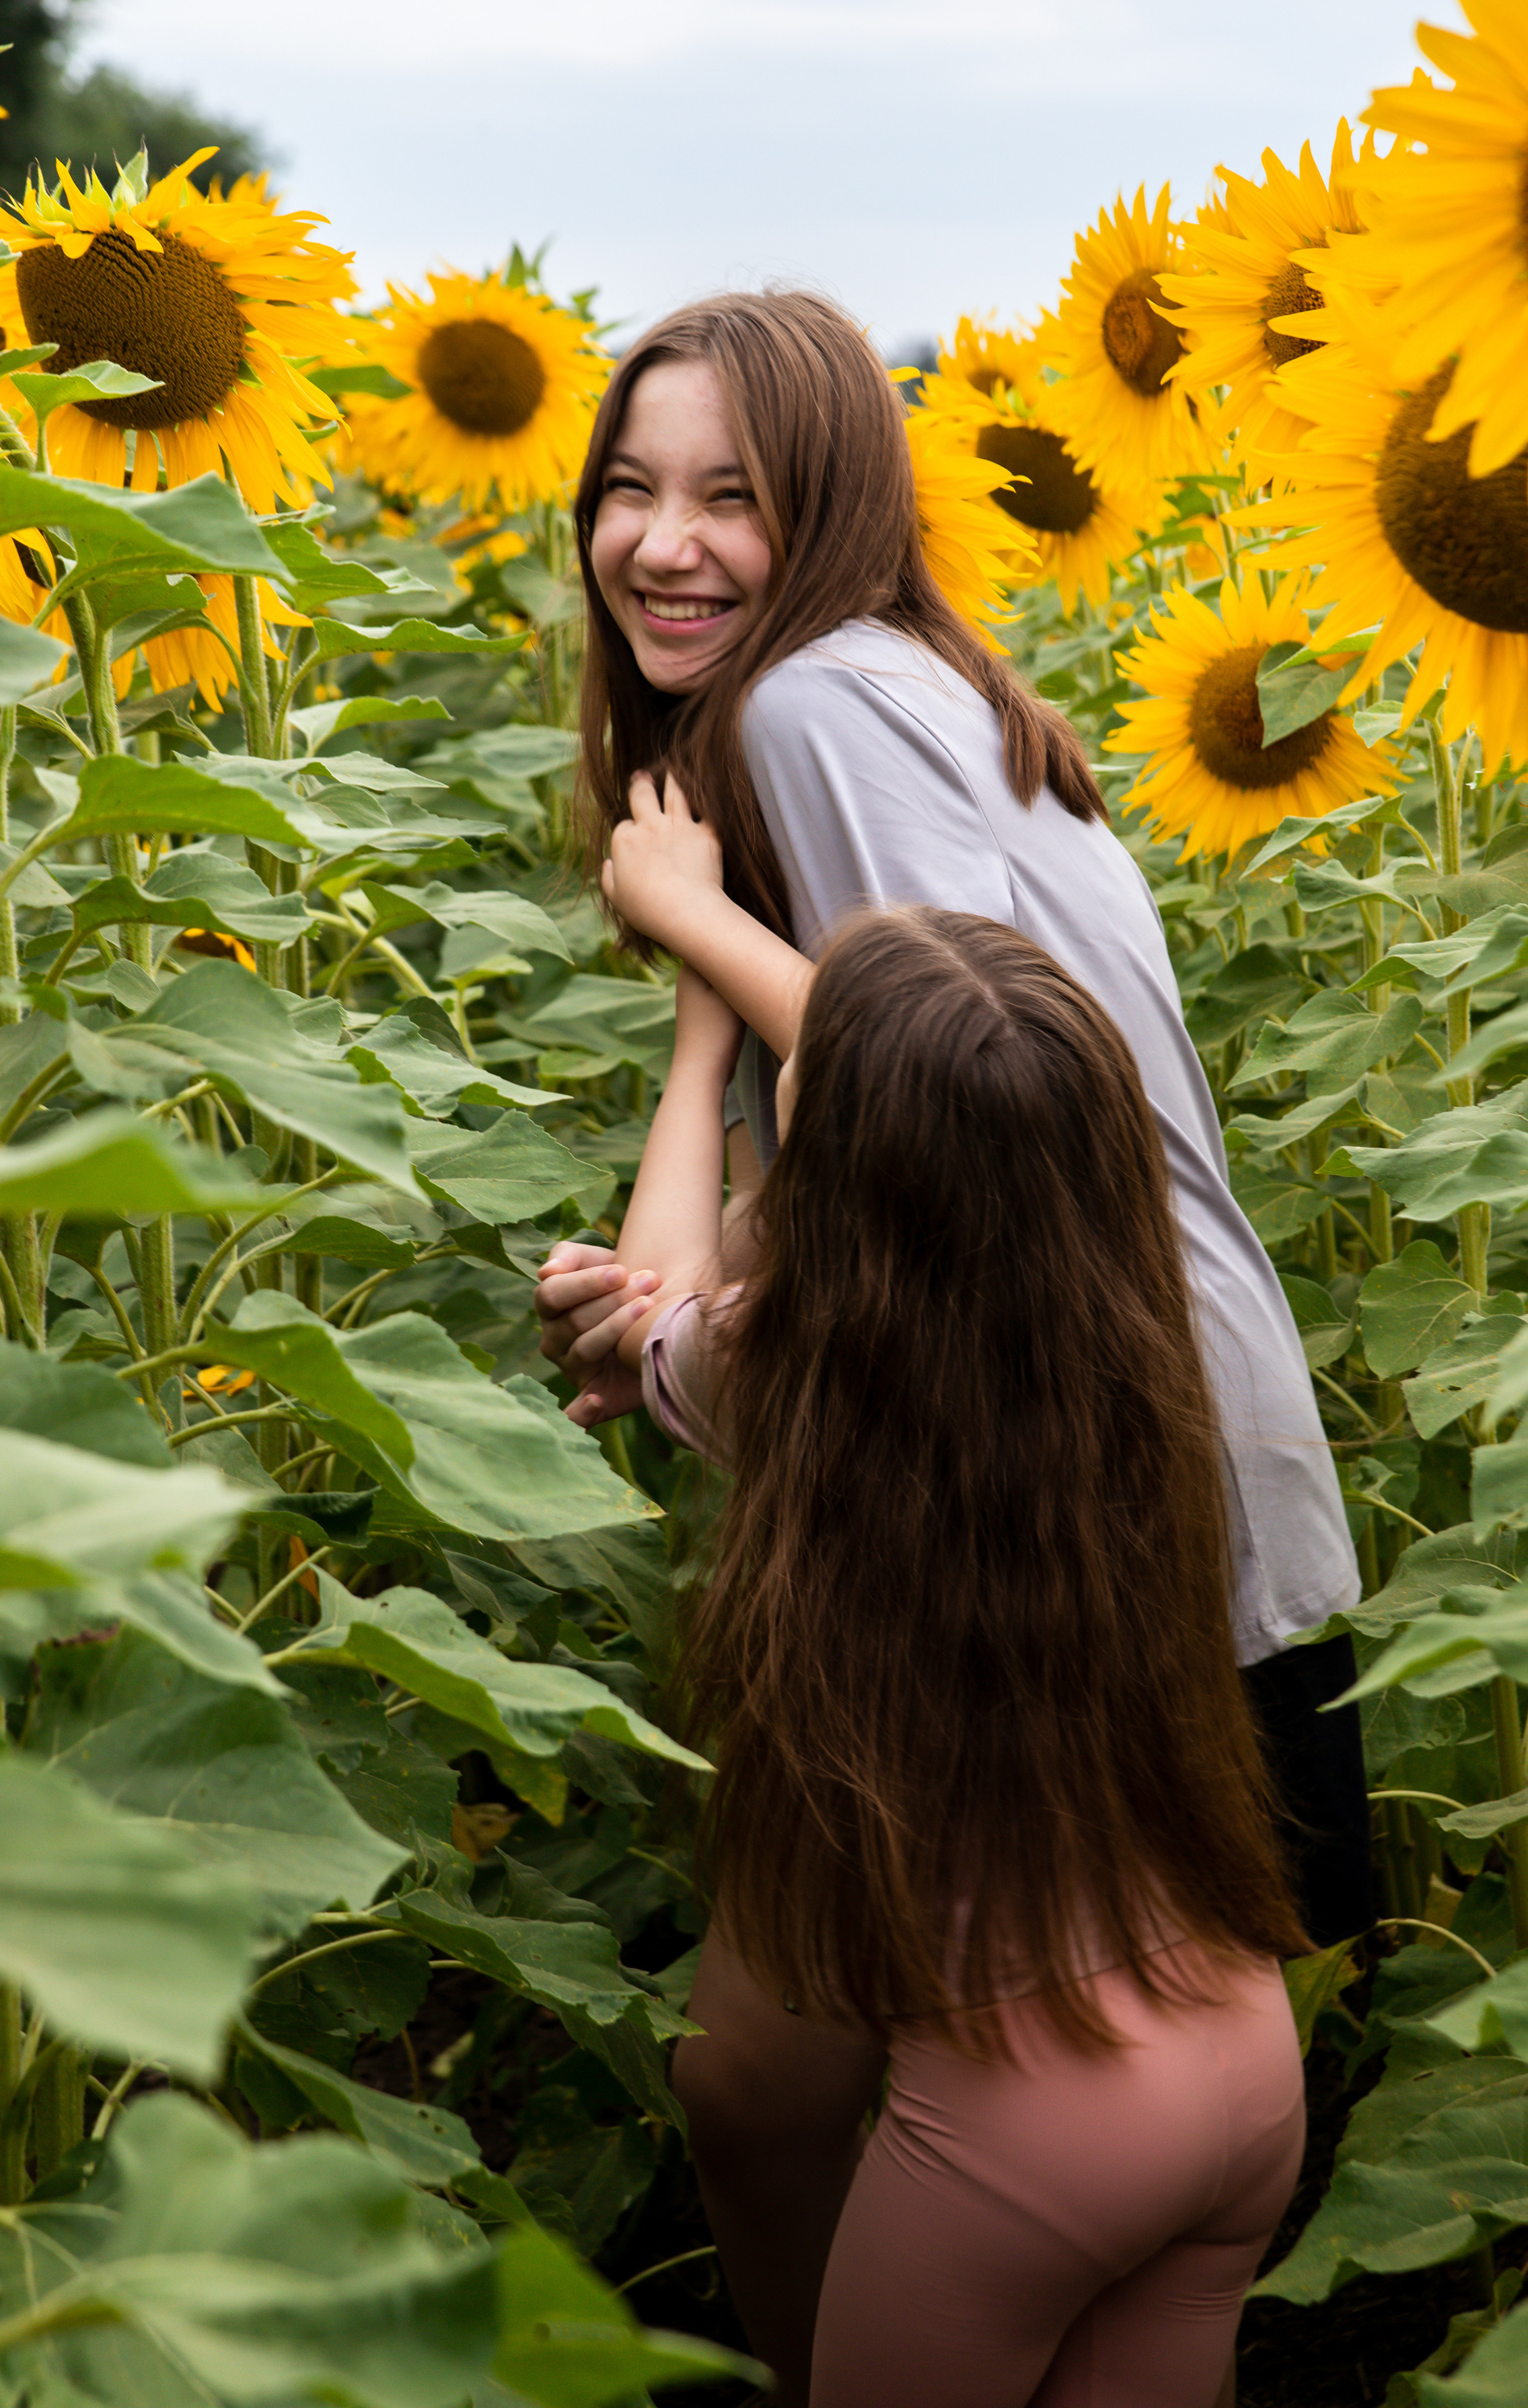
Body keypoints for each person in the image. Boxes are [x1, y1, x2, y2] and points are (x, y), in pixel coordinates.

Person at [537, 283, 1371, 1941]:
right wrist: (675, 1313)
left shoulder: (811, 703)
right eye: (630, 489)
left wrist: (695, 926)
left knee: (1152, 2037)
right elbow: (874, 1117)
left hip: (1102, 1431)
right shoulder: (905, 681)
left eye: (731, 499)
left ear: (831, 509)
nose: (661, 544)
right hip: (1124, 1398)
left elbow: (968, 1081)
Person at [593, 903, 1309, 2407]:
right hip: (1240, 2056)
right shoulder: (1142, 1370)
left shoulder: (805, 1383)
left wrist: (709, 1043)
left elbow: (656, 1309)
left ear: (835, 1175)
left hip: (1023, 2127)